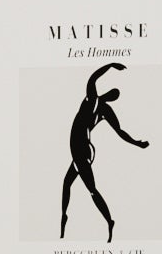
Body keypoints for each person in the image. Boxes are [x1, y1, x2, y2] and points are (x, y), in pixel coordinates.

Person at [59, 60, 150, 243]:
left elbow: (120, 132)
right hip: (80, 148)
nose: (111, 96)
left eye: (113, 96)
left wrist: (137, 143)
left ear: (110, 98)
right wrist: (110, 65)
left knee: (91, 190)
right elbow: (92, 79)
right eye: (112, 93)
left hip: (82, 148)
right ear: (107, 93)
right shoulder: (95, 101)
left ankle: (109, 220)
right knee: (67, 183)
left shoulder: (102, 108)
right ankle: (64, 217)